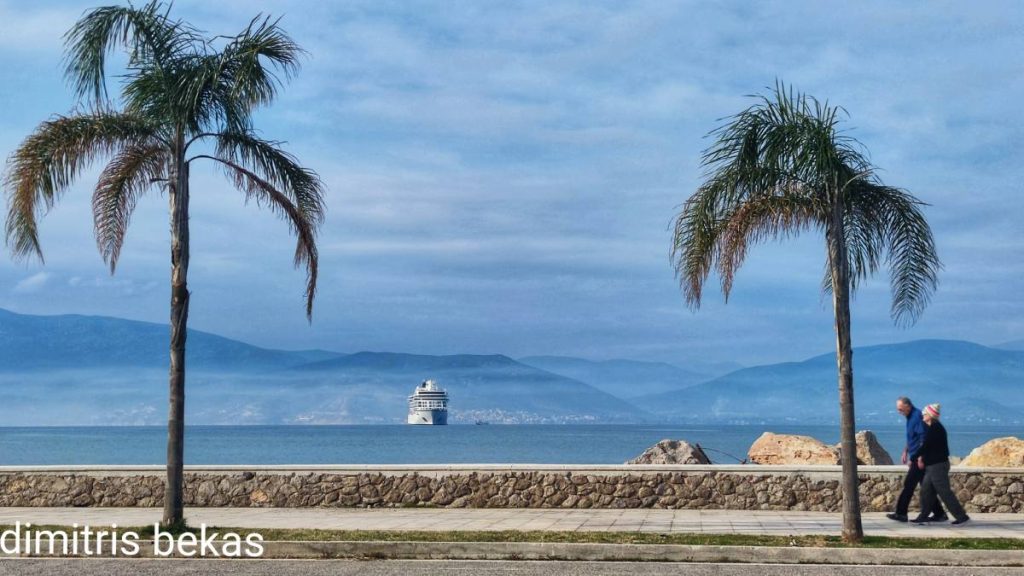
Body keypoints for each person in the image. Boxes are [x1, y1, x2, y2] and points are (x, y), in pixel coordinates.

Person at [887, 397, 945, 522]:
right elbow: (913, 437)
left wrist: (919, 458)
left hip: (919, 458)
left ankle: (901, 514)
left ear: (908, 406)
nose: (899, 411)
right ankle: (940, 513)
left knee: (909, 485)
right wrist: (905, 450)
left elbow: (923, 438)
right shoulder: (910, 417)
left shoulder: (917, 416)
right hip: (916, 456)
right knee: (925, 486)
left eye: (900, 409)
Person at [910, 404, 970, 526]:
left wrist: (914, 457)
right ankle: (926, 516)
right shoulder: (932, 427)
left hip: (938, 465)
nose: (923, 415)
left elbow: (926, 446)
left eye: (925, 413)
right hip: (932, 465)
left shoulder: (936, 428)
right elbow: (928, 447)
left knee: (944, 492)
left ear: (931, 415)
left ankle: (961, 516)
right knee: (926, 490)